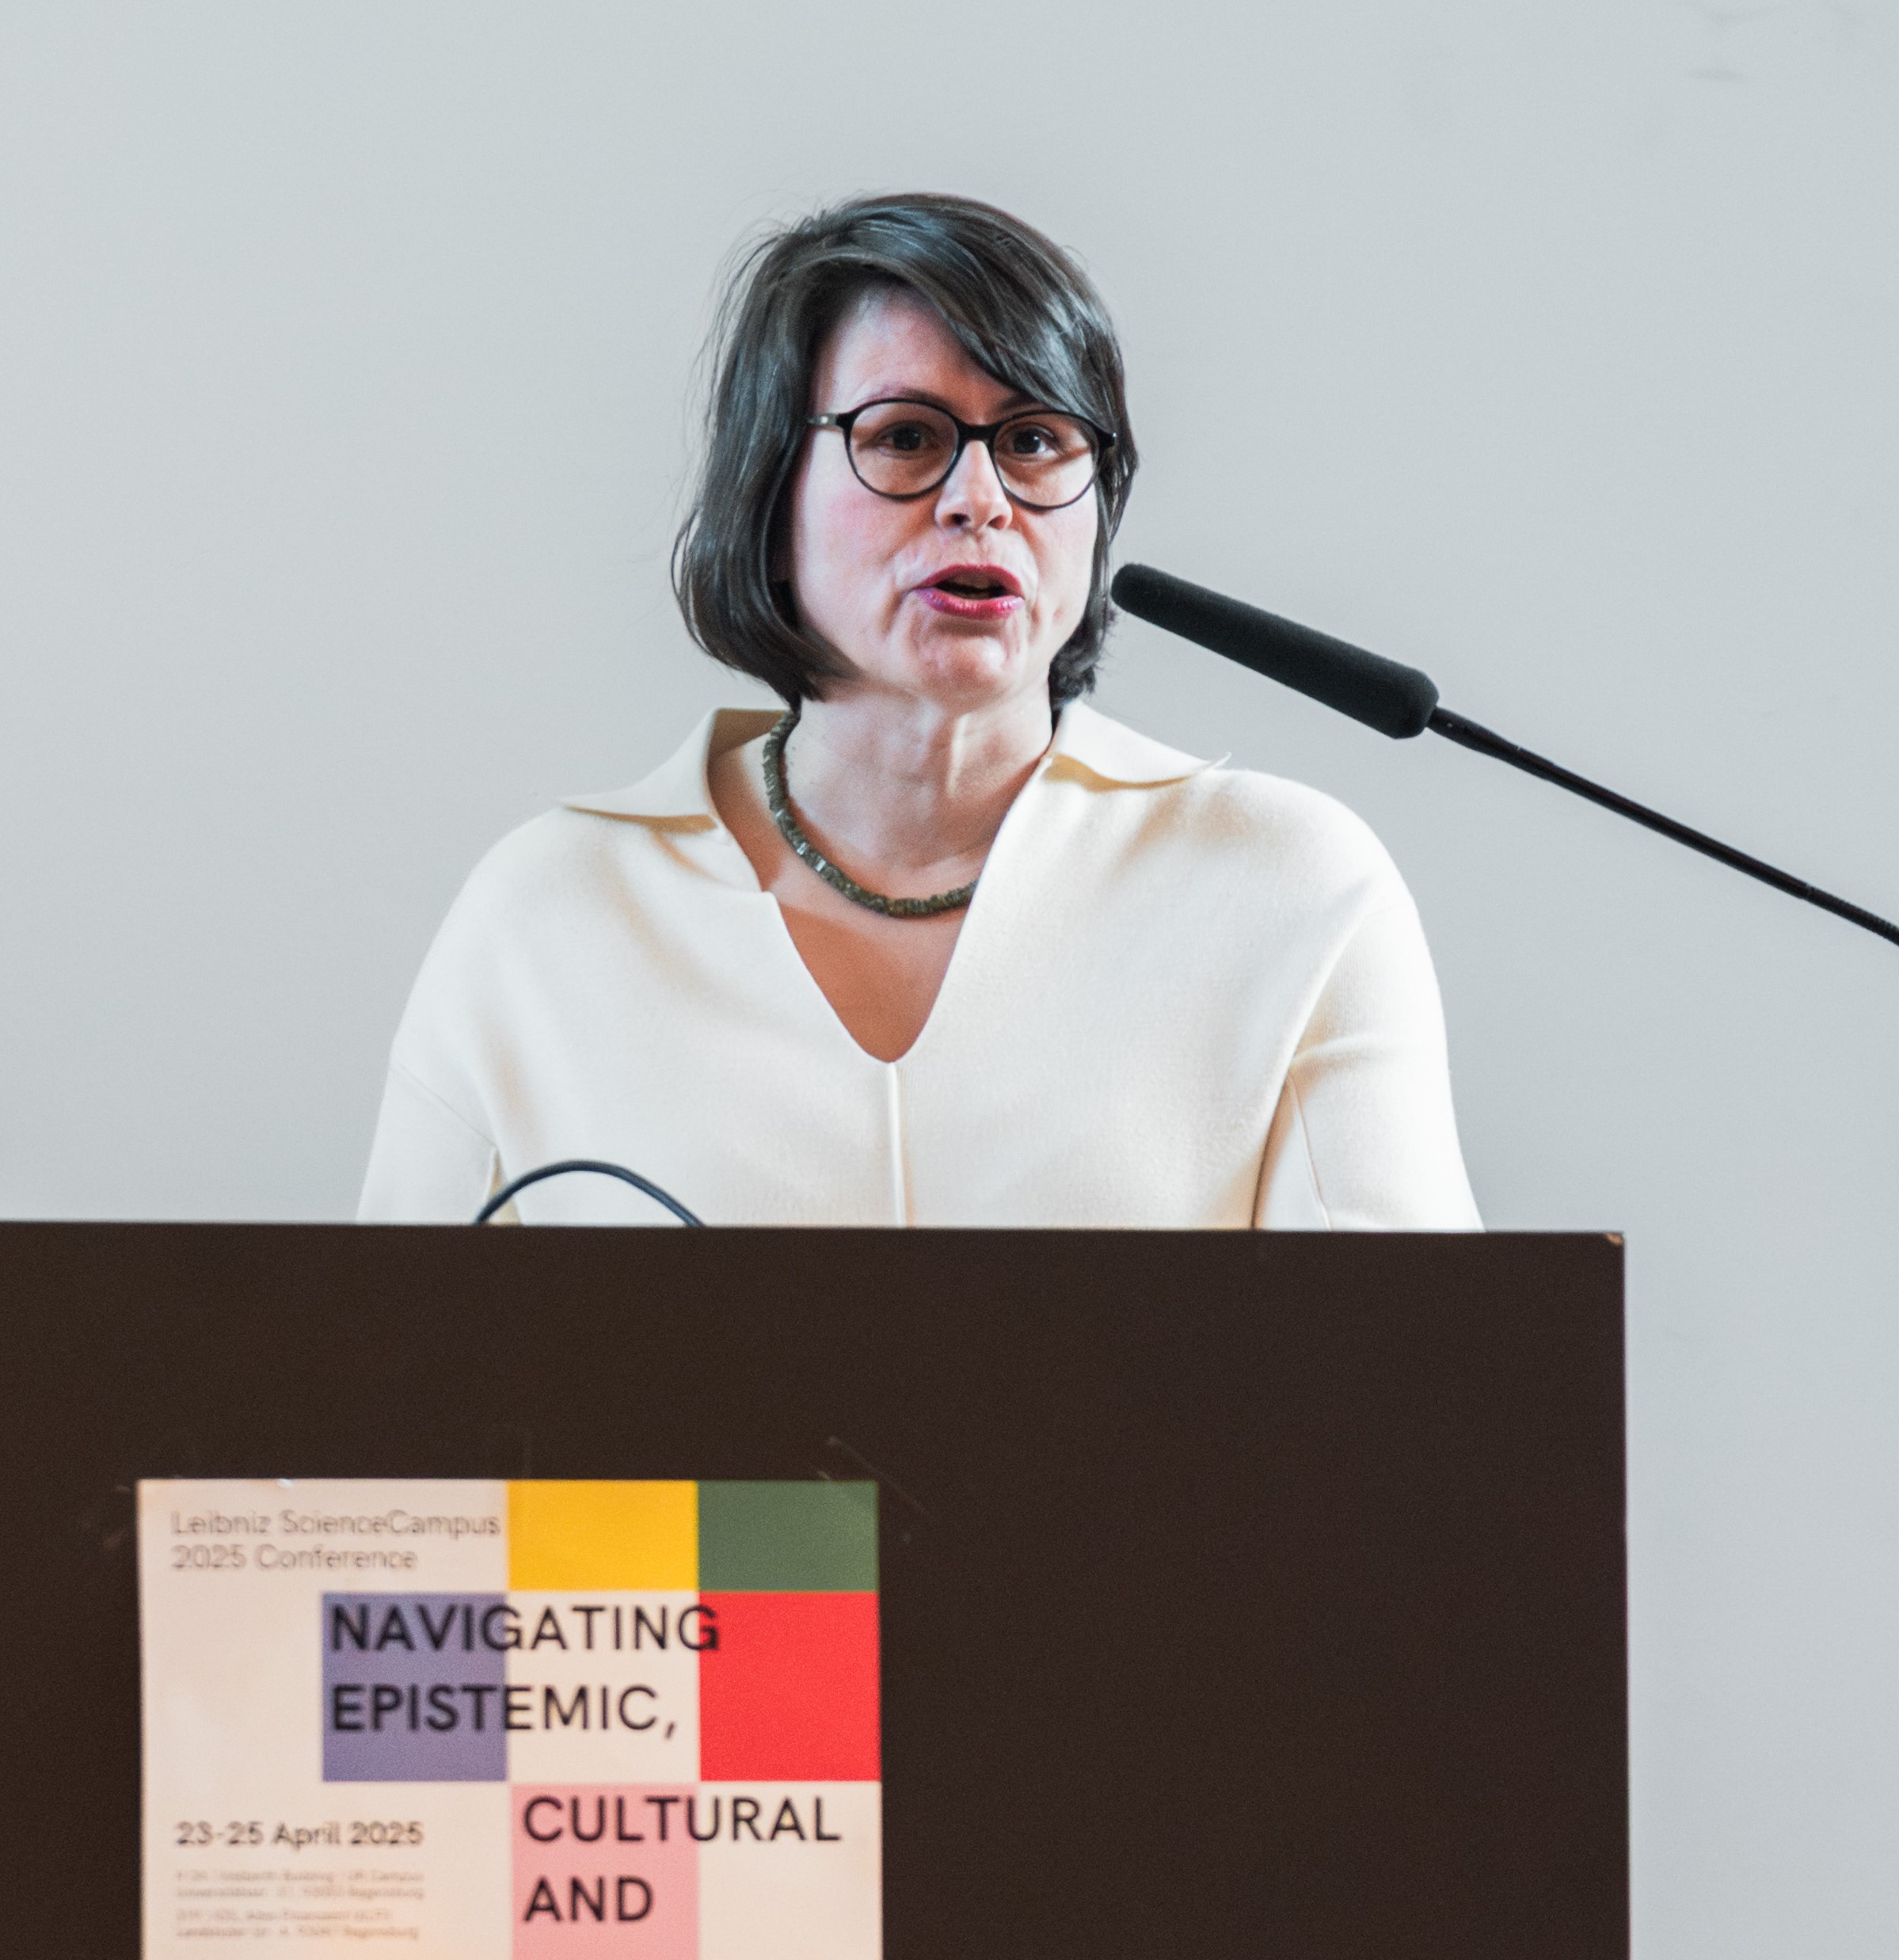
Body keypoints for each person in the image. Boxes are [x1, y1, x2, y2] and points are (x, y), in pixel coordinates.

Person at [358, 192, 1480, 1231]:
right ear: (767, 493)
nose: (979, 501)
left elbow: (1417, 1403)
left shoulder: (1285, 886)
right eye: (905, 437)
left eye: (1036, 440)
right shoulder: (551, 910)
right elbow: (367, 1422)